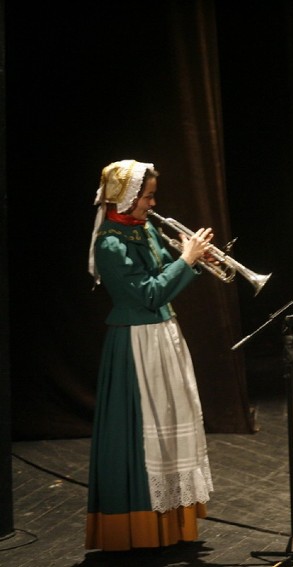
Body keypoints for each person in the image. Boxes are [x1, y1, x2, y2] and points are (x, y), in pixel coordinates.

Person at [86, 159, 216, 552]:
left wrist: (192, 259)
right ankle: (141, 528)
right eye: (146, 197)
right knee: (144, 435)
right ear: (124, 196)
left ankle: (174, 526)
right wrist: (186, 259)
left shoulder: (142, 229)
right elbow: (148, 294)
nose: (151, 204)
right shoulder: (110, 242)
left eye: (152, 196)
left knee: (172, 425)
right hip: (136, 345)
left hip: (162, 336)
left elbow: (164, 278)